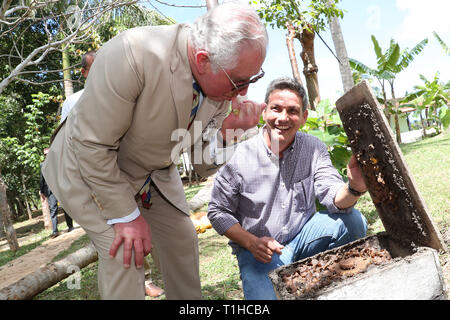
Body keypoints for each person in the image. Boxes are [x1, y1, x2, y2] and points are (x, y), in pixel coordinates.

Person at [42, 1, 268, 300]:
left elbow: (200, 162)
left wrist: (226, 135)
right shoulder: (134, 53)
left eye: (252, 79)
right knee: (125, 253)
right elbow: (92, 145)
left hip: (151, 171)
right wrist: (125, 215)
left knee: (181, 240)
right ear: (202, 60)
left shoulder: (221, 81)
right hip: (86, 166)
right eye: (239, 81)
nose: (244, 92)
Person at [207, 77, 368, 300]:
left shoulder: (313, 147)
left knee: (353, 221)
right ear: (265, 112)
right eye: (276, 109)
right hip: (261, 251)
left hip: (303, 236)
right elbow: (217, 211)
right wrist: (251, 242)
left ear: (304, 117)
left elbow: (332, 194)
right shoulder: (240, 155)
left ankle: (315, 275)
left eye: (292, 111)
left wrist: (354, 188)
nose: (283, 118)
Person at [39, 148, 74, 238]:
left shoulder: (58, 163)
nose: (47, 156)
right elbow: (42, 179)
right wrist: (42, 191)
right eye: (45, 154)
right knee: (53, 210)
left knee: (66, 207)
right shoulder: (42, 165)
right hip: (50, 191)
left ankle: (70, 226)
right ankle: (55, 231)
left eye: (48, 154)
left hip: (60, 188)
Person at [60, 50, 96, 123]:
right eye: (94, 69)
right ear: (83, 72)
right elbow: (66, 132)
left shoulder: (118, 96)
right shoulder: (72, 102)